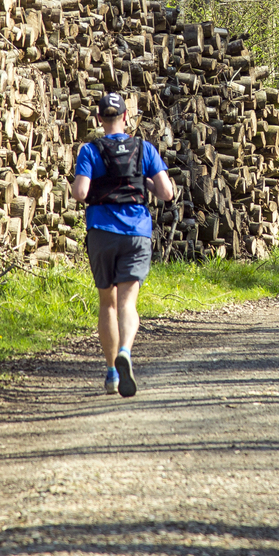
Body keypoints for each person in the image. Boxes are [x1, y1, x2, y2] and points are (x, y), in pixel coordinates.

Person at [71, 91, 175, 397]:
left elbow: (80, 193)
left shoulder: (90, 150)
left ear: (99, 119)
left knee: (108, 303)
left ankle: (112, 373)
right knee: (128, 302)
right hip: (136, 232)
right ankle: (126, 352)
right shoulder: (144, 148)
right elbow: (167, 193)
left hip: (102, 230)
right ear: (127, 118)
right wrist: (147, 183)